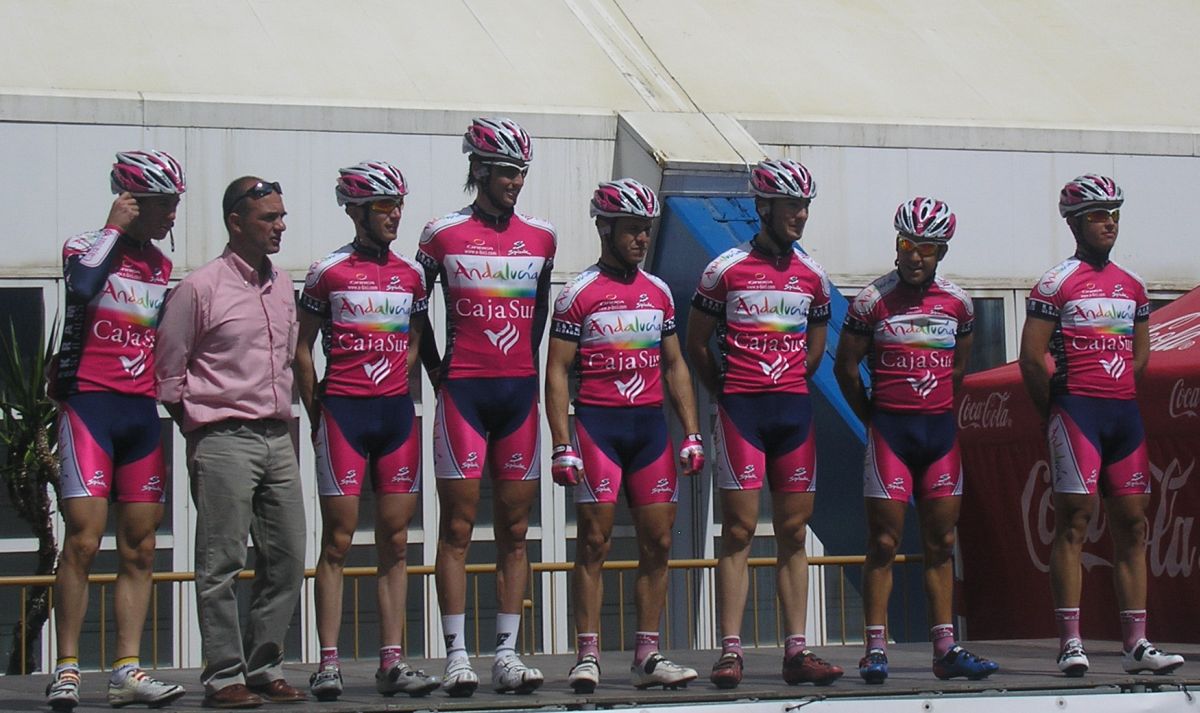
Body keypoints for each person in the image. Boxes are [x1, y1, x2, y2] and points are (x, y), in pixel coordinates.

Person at [686, 158, 843, 689]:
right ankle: (730, 650)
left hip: (792, 412)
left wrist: (792, 378)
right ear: (764, 207)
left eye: (805, 206)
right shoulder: (725, 269)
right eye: (791, 206)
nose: (801, 215)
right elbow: (695, 342)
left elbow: (816, 345)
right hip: (741, 413)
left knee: (794, 531)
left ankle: (797, 650)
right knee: (738, 530)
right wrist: (725, 390)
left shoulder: (813, 274)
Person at [1019, 174, 1185, 678]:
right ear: (1074, 223)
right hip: (1076, 413)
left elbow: (1141, 355)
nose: (1108, 223)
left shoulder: (1133, 285)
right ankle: (1070, 641)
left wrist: (1117, 391)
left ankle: (1136, 642)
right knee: (1074, 521)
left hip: (1123, 414)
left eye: (1113, 214)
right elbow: (1030, 357)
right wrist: (1053, 410)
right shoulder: (1056, 283)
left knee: (1133, 525)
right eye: (1097, 215)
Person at [546, 179, 705, 693]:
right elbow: (556, 371)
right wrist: (562, 443)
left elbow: (675, 364)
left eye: (646, 229)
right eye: (632, 229)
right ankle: (587, 654)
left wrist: (692, 432)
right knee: (594, 541)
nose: (641, 238)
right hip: (599, 429)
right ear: (605, 229)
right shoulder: (578, 294)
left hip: (649, 431)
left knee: (659, 541)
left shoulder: (658, 291)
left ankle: (646, 655)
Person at [415, 118, 556, 696]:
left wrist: (524, 363)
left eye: (521, 172)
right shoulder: (441, 234)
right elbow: (413, 306)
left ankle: (506, 652)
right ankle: (456, 654)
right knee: (457, 527)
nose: (515, 182)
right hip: (464, 396)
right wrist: (435, 370)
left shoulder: (542, 237)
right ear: (478, 170)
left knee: (516, 531)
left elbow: (539, 311)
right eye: (505, 172)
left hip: (517, 395)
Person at [155, 176, 307, 709]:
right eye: (269, 218)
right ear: (236, 222)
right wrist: (199, 428)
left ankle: (264, 667)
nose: (280, 226)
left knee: (287, 556)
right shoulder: (200, 287)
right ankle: (224, 676)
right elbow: (168, 372)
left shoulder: (283, 284)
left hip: (278, 435)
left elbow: (287, 357)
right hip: (222, 435)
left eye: (282, 216)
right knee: (220, 562)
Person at [46, 150, 187, 712]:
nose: (172, 215)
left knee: (141, 547)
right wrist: (112, 228)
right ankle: (66, 668)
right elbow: (82, 288)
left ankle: (127, 668)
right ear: (133, 201)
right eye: (164, 204)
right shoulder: (85, 246)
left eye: (176, 204)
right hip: (90, 406)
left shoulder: (160, 266)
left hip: (139, 411)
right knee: (83, 540)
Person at [835, 198, 998, 683]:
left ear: (941, 251)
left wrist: (934, 407)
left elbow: (959, 369)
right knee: (883, 541)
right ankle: (875, 648)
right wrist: (872, 417)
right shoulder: (872, 300)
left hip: (938, 435)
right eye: (907, 244)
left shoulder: (959, 303)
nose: (914, 256)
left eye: (925, 248)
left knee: (941, 542)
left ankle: (945, 648)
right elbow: (845, 368)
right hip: (891, 434)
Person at [295, 162, 438, 701]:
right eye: (383, 206)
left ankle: (392, 661)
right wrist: (317, 409)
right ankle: (328, 663)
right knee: (337, 540)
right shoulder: (326, 272)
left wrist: (400, 376)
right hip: (344, 416)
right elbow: (301, 349)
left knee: (396, 542)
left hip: (395, 415)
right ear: (356, 211)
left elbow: (416, 339)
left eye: (398, 205)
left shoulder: (411, 275)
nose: (394, 215)